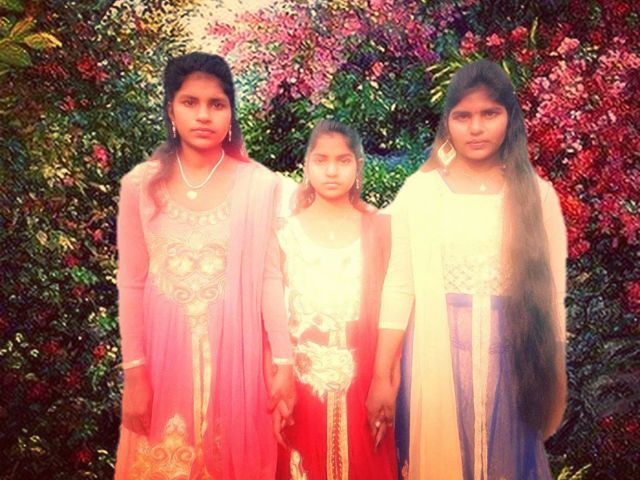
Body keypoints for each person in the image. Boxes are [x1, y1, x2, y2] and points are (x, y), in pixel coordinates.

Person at [367, 59, 568, 480]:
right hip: (436, 355)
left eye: (489, 114)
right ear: (448, 122)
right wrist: (382, 375)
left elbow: (553, 297)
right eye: (463, 116)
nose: (476, 128)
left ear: (509, 118)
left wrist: (556, 374)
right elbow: (400, 284)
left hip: (514, 357)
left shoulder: (538, 196)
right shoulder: (420, 193)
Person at [114, 52, 294, 479]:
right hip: (163, 361)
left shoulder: (260, 185)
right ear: (170, 110)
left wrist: (284, 362)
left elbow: (270, 277)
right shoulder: (140, 185)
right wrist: (135, 373)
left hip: (239, 363)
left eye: (216, 104)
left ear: (231, 114)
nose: (203, 115)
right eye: (190, 102)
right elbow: (132, 284)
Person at [269, 119, 398, 479]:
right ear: (306, 165)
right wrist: (276, 382)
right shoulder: (284, 233)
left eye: (343, 160)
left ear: (358, 166)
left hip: (364, 378)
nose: (331, 170)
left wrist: (387, 381)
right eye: (321, 160)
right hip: (301, 382)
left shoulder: (380, 228)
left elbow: (395, 310)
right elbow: (271, 316)